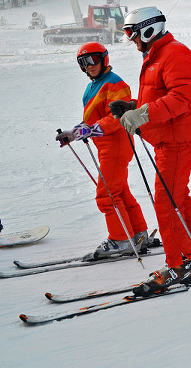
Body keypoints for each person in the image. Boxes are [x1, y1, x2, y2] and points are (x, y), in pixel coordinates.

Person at [113, 7, 191, 297]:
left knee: (166, 203)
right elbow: (161, 96)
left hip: (177, 140)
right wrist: (134, 107)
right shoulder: (157, 55)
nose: (133, 42)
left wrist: (142, 115)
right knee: (178, 199)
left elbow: (184, 97)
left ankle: (177, 265)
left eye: (134, 36)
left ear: (148, 30)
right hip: (167, 139)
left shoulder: (174, 54)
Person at [55, 43, 149, 259]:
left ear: (103, 59)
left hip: (116, 143)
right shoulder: (95, 85)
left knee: (106, 195)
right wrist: (74, 133)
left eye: (93, 60)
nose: (89, 66)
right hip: (106, 145)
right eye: (83, 62)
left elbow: (118, 117)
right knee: (120, 191)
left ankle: (121, 239)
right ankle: (138, 234)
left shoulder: (115, 83)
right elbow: (92, 119)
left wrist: (90, 130)